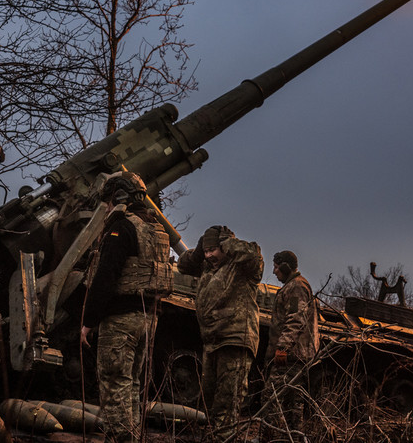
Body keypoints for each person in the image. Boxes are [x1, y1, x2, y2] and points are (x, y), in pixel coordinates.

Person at [79, 172, 173, 442]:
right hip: (149, 318)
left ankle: (121, 438)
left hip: (120, 320)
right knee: (132, 384)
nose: (107, 207)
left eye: (108, 201)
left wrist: (89, 321)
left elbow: (106, 275)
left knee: (114, 383)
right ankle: (133, 436)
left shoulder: (122, 227)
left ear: (119, 197)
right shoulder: (158, 229)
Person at [177, 225, 263, 442]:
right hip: (212, 342)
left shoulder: (242, 266)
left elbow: (253, 256)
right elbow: (183, 266)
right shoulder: (207, 267)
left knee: (227, 404)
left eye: (213, 249)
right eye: (206, 251)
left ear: (224, 246)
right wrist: (199, 251)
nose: (209, 255)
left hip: (235, 341)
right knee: (209, 402)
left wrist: (227, 241)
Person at [263, 250, 319, 437]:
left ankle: (268, 437)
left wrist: (282, 348)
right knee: (292, 403)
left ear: (286, 267)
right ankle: (292, 438)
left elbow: (296, 319)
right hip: (293, 354)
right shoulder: (293, 286)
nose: (274, 271)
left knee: (272, 397)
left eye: (277, 267)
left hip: (291, 355)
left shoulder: (296, 287)